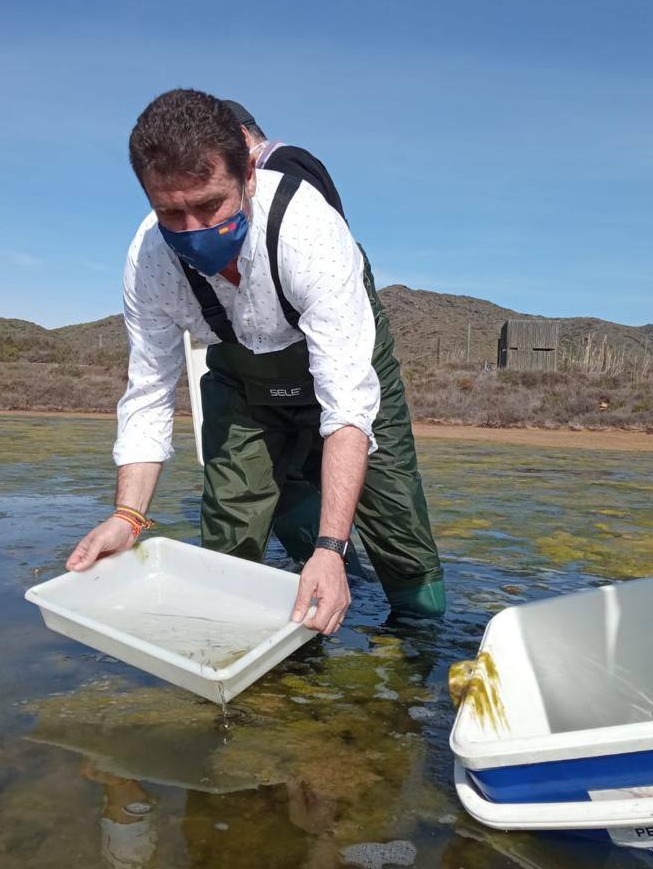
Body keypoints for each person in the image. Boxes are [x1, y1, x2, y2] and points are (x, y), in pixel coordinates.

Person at [66, 89, 445, 632]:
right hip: (242, 379)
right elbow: (149, 391)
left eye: (209, 204)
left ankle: (419, 639)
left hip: (344, 370)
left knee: (396, 521)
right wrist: (128, 517)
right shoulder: (149, 259)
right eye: (171, 211)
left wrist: (332, 547)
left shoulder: (307, 231)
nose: (193, 229)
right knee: (229, 526)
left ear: (248, 175)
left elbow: (346, 406)